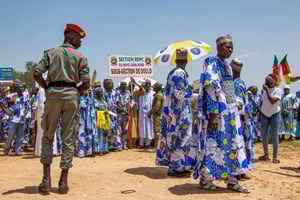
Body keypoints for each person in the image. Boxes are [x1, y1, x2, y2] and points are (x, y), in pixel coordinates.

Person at [33, 24, 90, 194]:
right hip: (71, 97)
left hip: (53, 97)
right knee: (68, 138)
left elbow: (37, 73)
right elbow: (86, 83)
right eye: (79, 38)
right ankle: (63, 182)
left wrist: (47, 89)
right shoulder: (80, 56)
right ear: (71, 37)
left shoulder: (50, 53)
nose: (80, 42)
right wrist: (75, 92)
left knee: (48, 136)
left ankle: (46, 180)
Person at [193, 35, 249, 193]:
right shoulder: (211, 62)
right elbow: (211, 87)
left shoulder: (227, 66)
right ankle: (205, 180)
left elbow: (229, 92)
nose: (230, 49)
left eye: (231, 47)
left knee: (233, 145)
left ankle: (232, 180)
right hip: (217, 114)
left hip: (230, 115)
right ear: (218, 48)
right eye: (226, 47)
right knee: (213, 146)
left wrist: (237, 109)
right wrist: (212, 114)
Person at [156, 49, 195, 177]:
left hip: (171, 111)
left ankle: (177, 165)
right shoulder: (180, 73)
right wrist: (196, 95)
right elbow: (179, 94)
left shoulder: (171, 72)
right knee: (182, 138)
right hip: (180, 112)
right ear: (187, 61)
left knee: (173, 138)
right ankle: (176, 167)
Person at [232, 58, 255, 179]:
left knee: (238, 143)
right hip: (244, 119)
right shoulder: (241, 82)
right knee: (243, 144)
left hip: (239, 119)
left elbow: (239, 105)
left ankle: (239, 170)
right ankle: (241, 170)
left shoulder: (236, 84)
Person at [0, 80, 29, 156]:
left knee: (20, 136)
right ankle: (6, 150)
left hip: (22, 119)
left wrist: (26, 112)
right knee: (10, 136)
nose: (22, 88)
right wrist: (6, 112)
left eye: (22, 87)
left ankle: (18, 150)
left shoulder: (26, 95)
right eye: (20, 87)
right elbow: (2, 102)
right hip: (13, 119)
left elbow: (27, 105)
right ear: (17, 88)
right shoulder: (11, 96)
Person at [258, 74, 282, 164]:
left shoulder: (278, 90)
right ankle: (266, 155)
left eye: (270, 81)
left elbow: (272, 101)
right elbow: (263, 102)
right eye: (267, 81)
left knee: (274, 134)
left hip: (275, 114)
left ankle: (275, 157)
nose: (268, 82)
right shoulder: (263, 92)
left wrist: (267, 90)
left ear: (274, 81)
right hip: (264, 114)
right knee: (264, 134)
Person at [133, 79, 154, 148]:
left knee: (149, 127)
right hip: (142, 114)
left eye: (149, 84)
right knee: (142, 128)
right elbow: (136, 101)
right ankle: (141, 143)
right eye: (146, 84)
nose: (147, 85)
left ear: (150, 85)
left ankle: (148, 143)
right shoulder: (140, 93)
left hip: (150, 114)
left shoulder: (153, 93)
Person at [103, 79, 122, 151]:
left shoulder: (115, 93)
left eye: (111, 83)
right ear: (104, 85)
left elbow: (117, 103)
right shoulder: (103, 93)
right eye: (108, 83)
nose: (110, 84)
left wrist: (120, 110)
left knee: (115, 130)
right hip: (106, 114)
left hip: (114, 114)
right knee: (108, 130)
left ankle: (116, 146)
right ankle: (107, 146)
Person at [76, 90, 96, 157]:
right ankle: (81, 152)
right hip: (82, 119)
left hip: (90, 119)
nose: (88, 91)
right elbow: (84, 105)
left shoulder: (90, 98)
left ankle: (89, 151)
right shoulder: (80, 98)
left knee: (89, 134)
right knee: (82, 134)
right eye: (86, 90)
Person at [94, 87, 110, 155]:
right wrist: (102, 112)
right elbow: (94, 110)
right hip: (99, 119)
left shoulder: (104, 101)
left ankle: (105, 149)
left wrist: (106, 112)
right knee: (100, 134)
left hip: (105, 119)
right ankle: (99, 150)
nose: (101, 93)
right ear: (96, 93)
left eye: (102, 92)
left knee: (105, 134)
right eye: (100, 92)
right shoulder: (95, 101)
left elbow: (106, 108)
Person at [148, 82, 164, 148]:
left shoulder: (158, 95)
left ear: (157, 88)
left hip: (158, 116)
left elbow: (157, 106)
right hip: (157, 115)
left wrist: (150, 112)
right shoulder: (157, 95)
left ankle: (157, 147)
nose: (153, 88)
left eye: (154, 87)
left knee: (157, 131)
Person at [116, 81, 131, 150]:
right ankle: (119, 145)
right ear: (120, 86)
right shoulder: (117, 93)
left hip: (126, 114)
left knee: (125, 130)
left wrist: (128, 110)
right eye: (123, 84)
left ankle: (124, 144)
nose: (124, 85)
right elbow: (115, 103)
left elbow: (131, 102)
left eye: (125, 84)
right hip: (119, 114)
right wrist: (122, 109)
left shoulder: (129, 93)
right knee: (119, 129)